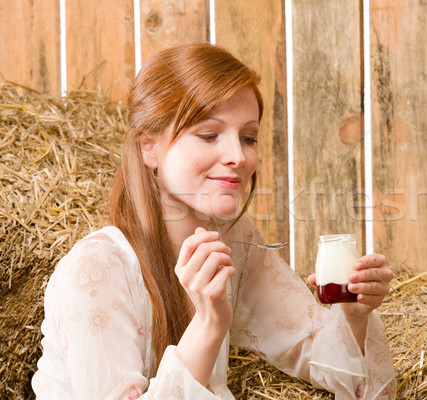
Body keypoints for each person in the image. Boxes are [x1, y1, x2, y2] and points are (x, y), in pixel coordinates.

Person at [32, 43, 396, 399]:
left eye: (248, 137)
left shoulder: (234, 241)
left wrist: (354, 313)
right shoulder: (95, 269)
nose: (238, 156)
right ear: (149, 147)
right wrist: (209, 324)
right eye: (209, 135)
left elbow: (315, 350)